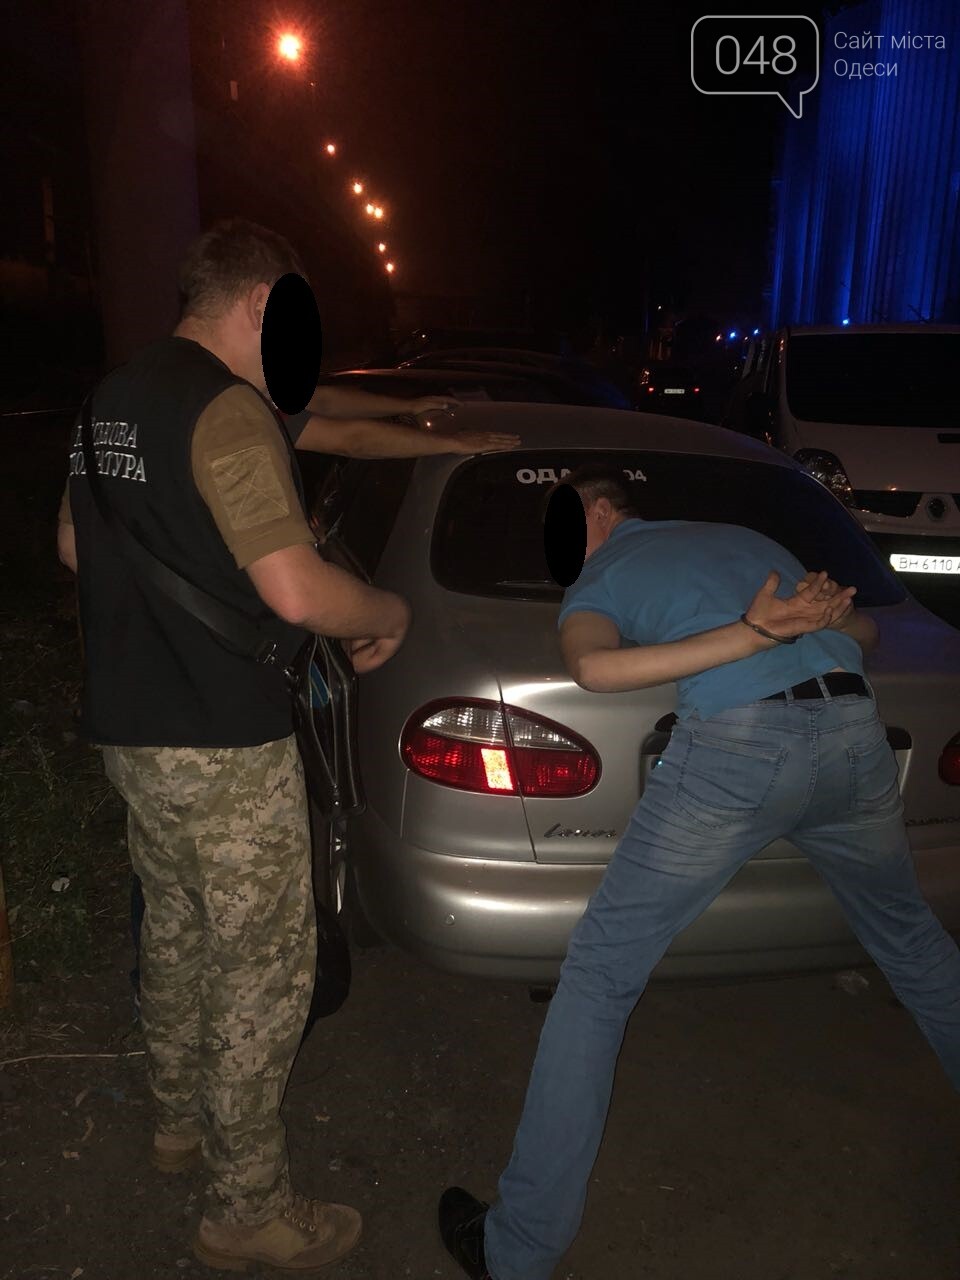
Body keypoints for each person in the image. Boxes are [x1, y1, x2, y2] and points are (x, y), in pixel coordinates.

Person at [439, 463, 960, 1280]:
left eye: (562, 520)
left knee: (600, 976)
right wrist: (818, 619)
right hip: (856, 734)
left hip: (741, 749)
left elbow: (594, 669)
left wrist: (753, 636)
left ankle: (517, 1251)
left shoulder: (606, 569)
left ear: (599, 511)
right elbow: (859, 633)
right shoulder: (746, 540)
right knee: (913, 942)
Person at [57, 218, 413, 1273]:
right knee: (262, 968)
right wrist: (385, 610)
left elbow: (75, 545)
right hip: (220, 738)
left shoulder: (107, 399)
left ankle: (176, 1120)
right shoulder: (229, 409)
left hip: (131, 729)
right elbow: (296, 591)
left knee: (175, 925)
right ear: (262, 303)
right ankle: (245, 1206)